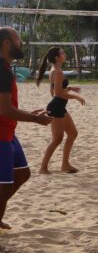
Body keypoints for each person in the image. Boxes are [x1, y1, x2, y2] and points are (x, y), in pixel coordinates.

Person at [0, 28, 52, 230]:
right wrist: (34, 119)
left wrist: (29, 113)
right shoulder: (2, 71)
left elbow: (6, 106)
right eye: (17, 39)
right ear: (6, 43)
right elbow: (4, 109)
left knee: (22, 174)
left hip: (8, 133)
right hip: (1, 135)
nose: (21, 43)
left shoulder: (5, 68)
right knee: (3, 186)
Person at [37, 47, 86, 174]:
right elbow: (57, 93)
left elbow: (53, 90)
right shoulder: (57, 72)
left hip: (59, 107)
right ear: (57, 57)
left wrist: (69, 88)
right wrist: (75, 96)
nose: (65, 54)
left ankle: (65, 164)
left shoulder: (55, 70)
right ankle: (43, 168)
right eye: (63, 53)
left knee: (73, 133)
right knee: (57, 139)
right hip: (56, 108)